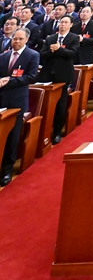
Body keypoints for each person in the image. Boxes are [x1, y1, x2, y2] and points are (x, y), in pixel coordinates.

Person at [0, 28, 40, 185]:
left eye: (20, 39)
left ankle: (7, 170)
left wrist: (9, 81)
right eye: (14, 39)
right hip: (1, 99)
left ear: (26, 40)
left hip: (17, 101)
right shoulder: (3, 56)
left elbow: (30, 77)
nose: (16, 41)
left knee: (12, 136)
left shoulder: (32, 55)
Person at [39, 15, 80, 144]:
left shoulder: (74, 38)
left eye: (65, 22)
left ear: (71, 25)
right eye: (61, 22)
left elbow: (72, 54)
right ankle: (43, 132)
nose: (62, 24)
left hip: (63, 75)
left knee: (60, 105)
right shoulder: (51, 38)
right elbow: (42, 54)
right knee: (46, 103)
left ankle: (57, 132)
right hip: (47, 74)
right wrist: (52, 51)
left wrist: (59, 50)